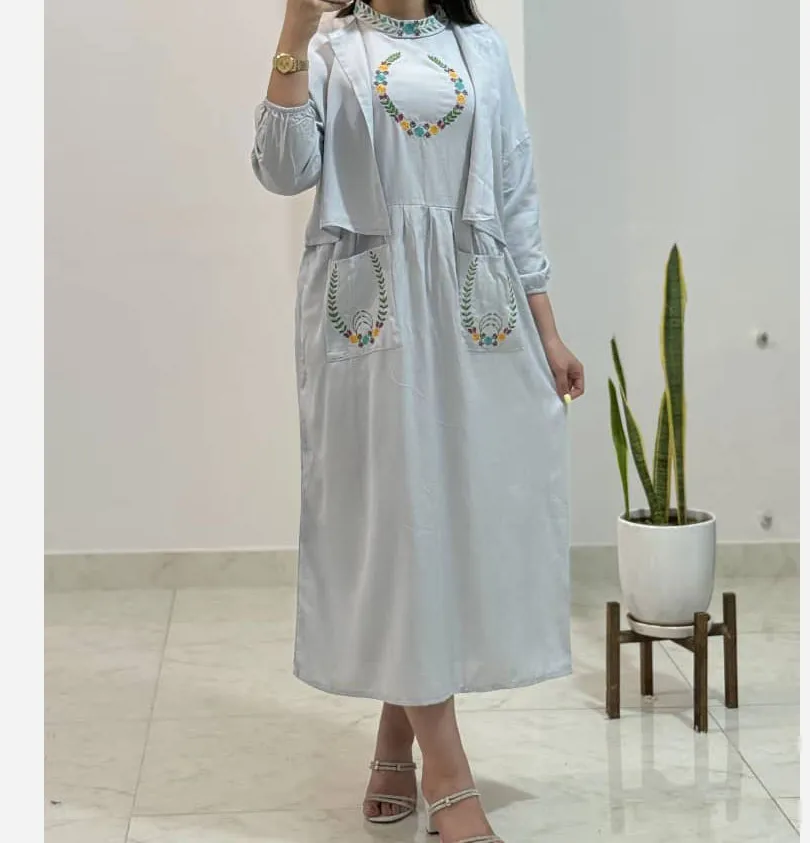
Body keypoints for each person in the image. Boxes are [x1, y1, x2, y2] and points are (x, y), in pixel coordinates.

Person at [251, 1, 585, 840]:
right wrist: (291, 34)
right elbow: (282, 170)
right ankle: (449, 769)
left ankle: (396, 740)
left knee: (454, 521)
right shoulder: (331, 46)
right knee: (400, 521)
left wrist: (547, 327)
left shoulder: (479, 47)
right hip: (371, 302)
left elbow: (515, 187)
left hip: (476, 303)